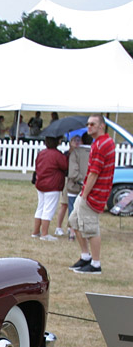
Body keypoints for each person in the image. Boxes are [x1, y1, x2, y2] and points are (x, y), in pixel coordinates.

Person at [69, 115, 114, 275]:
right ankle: (85, 256)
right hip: (89, 191)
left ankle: (95, 264)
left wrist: (85, 194)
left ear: (101, 126)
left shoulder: (102, 145)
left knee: (91, 228)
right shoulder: (102, 143)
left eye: (93, 124)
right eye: (88, 124)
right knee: (74, 221)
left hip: (93, 193)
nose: (89, 127)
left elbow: (95, 173)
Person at [54, 131, 89, 239]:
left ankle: (74, 229)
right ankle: (60, 227)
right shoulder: (69, 153)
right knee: (65, 204)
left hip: (77, 182)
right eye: (75, 140)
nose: (77, 142)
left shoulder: (80, 152)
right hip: (68, 181)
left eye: (78, 140)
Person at [30, 137, 67, 241]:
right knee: (48, 209)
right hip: (52, 185)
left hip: (41, 183)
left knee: (40, 207)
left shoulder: (41, 153)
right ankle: (45, 234)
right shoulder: (57, 155)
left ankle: (36, 231)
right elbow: (65, 165)